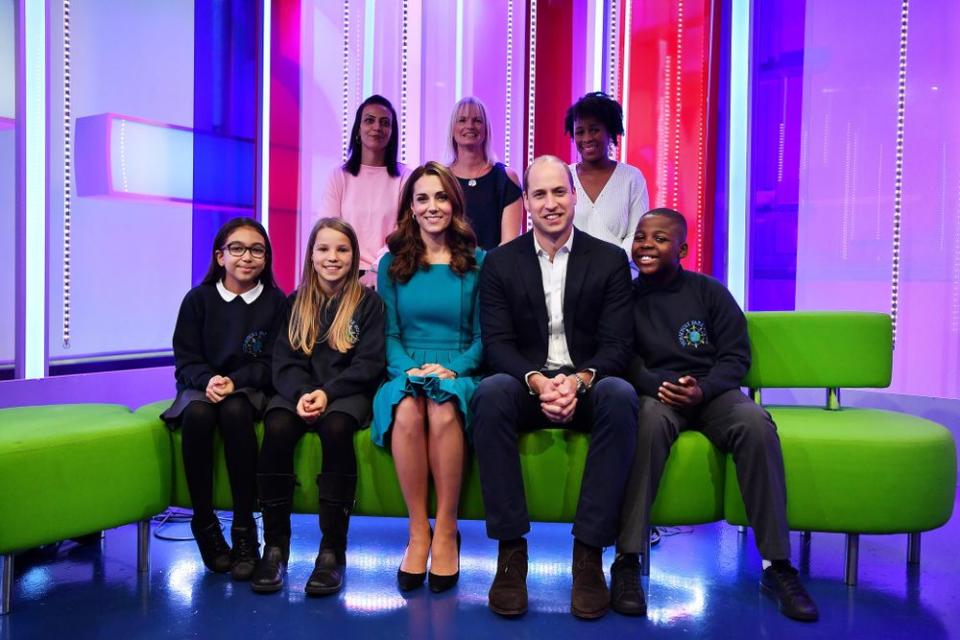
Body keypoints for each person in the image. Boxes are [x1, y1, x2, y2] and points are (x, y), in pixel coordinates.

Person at [616, 208, 819, 622]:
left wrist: (703, 389)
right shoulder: (624, 298)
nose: (646, 246)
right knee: (648, 424)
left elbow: (735, 355)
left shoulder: (709, 292)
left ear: (683, 249)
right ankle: (627, 560)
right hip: (657, 393)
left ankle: (777, 567)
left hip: (711, 392)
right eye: (640, 237)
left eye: (659, 238)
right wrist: (656, 385)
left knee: (755, 423)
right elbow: (623, 356)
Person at [470, 155, 638, 620]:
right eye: (539, 194)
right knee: (489, 394)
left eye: (559, 192)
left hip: (587, 383)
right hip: (529, 383)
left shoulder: (608, 260)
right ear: (526, 202)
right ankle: (510, 556)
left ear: (573, 196)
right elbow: (497, 344)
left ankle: (588, 558)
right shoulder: (501, 263)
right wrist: (541, 382)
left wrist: (579, 381)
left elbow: (618, 345)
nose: (550, 204)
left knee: (621, 396)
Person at [251, 218, 386, 596]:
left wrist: (327, 393)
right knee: (276, 427)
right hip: (298, 392)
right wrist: (302, 394)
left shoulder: (369, 304)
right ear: (311, 255)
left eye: (342, 250)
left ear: (355, 256)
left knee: (337, 429)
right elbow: (284, 360)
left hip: (347, 392)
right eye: (324, 249)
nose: (333, 257)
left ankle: (331, 552)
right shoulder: (295, 302)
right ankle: (275, 547)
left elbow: (369, 364)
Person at [371, 161, 485, 593]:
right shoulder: (391, 264)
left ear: (453, 203)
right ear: (411, 208)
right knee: (404, 411)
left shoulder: (478, 262)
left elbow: (483, 338)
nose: (432, 206)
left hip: (458, 369)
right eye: (422, 198)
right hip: (405, 366)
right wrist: (408, 369)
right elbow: (390, 334)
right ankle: (418, 531)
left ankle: (447, 530)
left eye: (440, 197)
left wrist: (453, 369)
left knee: (440, 408)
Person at [162, 217, 286, 580]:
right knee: (199, 416)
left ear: (266, 258)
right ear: (220, 256)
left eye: (257, 250)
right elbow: (185, 357)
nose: (247, 257)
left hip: (247, 388)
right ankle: (205, 524)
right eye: (237, 248)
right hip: (200, 385)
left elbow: (273, 361)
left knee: (235, 412)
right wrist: (209, 380)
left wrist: (235, 381)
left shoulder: (277, 302)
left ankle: (246, 531)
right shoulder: (198, 299)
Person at [318, 94, 411, 283]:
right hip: (343, 272)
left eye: (385, 123)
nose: (377, 127)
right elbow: (329, 229)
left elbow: (404, 232)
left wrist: (376, 271)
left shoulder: (406, 177)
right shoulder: (339, 176)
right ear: (358, 129)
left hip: (389, 272)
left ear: (392, 132)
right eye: (369, 120)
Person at [565, 92, 649, 276]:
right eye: (580, 132)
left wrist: (608, 266)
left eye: (594, 129)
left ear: (610, 131)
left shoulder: (632, 178)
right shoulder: (563, 176)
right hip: (570, 279)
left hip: (620, 279)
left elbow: (637, 234)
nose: (587, 138)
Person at [447, 96, 523, 249]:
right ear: (452, 129)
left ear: (486, 129)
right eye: (462, 120)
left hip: (493, 270)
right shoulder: (440, 179)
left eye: (477, 120)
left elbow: (508, 245)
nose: (470, 126)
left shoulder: (506, 178)